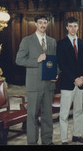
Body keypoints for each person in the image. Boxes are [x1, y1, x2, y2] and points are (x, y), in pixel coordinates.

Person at [16, 14, 57, 145]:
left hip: (49, 85)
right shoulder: (27, 40)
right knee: (32, 116)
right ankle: (32, 143)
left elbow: (56, 61)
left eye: (45, 22)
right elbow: (19, 60)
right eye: (40, 22)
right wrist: (36, 60)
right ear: (35, 24)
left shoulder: (52, 41)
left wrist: (56, 74)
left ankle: (47, 141)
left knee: (47, 117)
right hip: (34, 86)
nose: (43, 25)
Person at [57, 17, 83, 145]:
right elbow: (62, 64)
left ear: (78, 27)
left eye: (75, 26)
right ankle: (64, 139)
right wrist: (74, 78)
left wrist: (82, 78)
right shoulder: (61, 43)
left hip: (81, 84)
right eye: (70, 26)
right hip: (67, 83)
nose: (73, 29)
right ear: (66, 27)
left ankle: (77, 135)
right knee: (64, 113)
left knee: (79, 111)